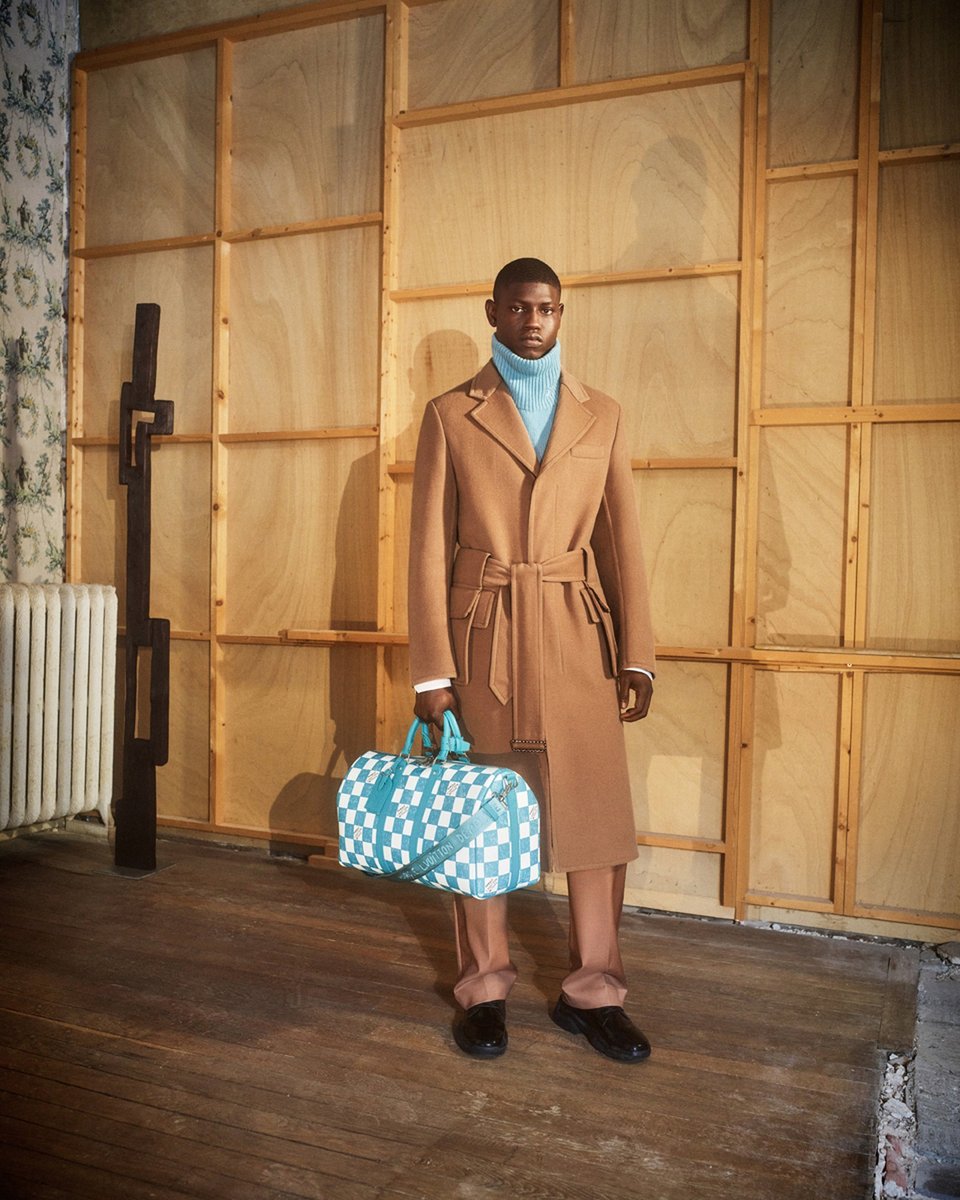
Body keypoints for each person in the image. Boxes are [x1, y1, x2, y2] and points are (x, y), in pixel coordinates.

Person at [408, 257, 656, 1063]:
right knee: (480, 819)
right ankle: (482, 989)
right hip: (484, 637)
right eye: (519, 307)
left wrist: (639, 656)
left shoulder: (603, 415)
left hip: (577, 635)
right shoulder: (450, 413)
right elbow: (425, 552)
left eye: (547, 307)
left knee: (593, 822)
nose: (534, 320)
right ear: (493, 310)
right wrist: (431, 672)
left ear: (562, 313)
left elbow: (622, 541)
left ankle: (594, 994)